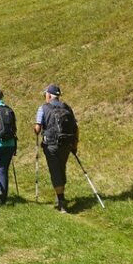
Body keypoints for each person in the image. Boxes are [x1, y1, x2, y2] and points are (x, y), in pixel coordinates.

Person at [33, 83, 78, 213]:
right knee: (61, 167)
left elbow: (37, 128)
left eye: (45, 94)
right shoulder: (67, 108)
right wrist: (75, 145)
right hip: (66, 143)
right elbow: (75, 128)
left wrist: (35, 130)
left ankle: (61, 202)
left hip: (51, 145)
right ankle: (61, 196)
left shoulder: (43, 108)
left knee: (55, 170)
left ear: (49, 95)